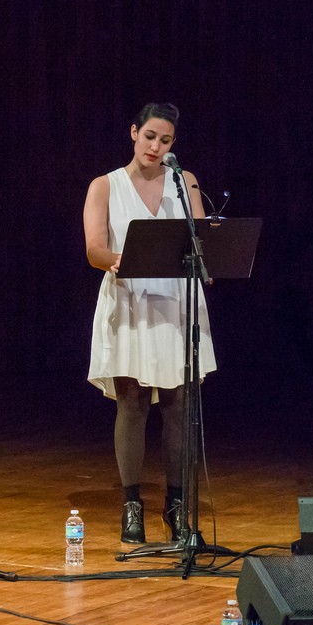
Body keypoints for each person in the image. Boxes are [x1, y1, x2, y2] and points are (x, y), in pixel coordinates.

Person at [82, 103, 216, 543]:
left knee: (180, 407)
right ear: (134, 132)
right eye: (150, 137)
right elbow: (94, 249)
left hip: (177, 304)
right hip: (131, 301)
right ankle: (132, 506)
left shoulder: (185, 181)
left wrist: (208, 261)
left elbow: (201, 240)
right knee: (133, 404)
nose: (156, 147)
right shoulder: (105, 185)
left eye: (166, 140)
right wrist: (125, 259)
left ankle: (176, 507)